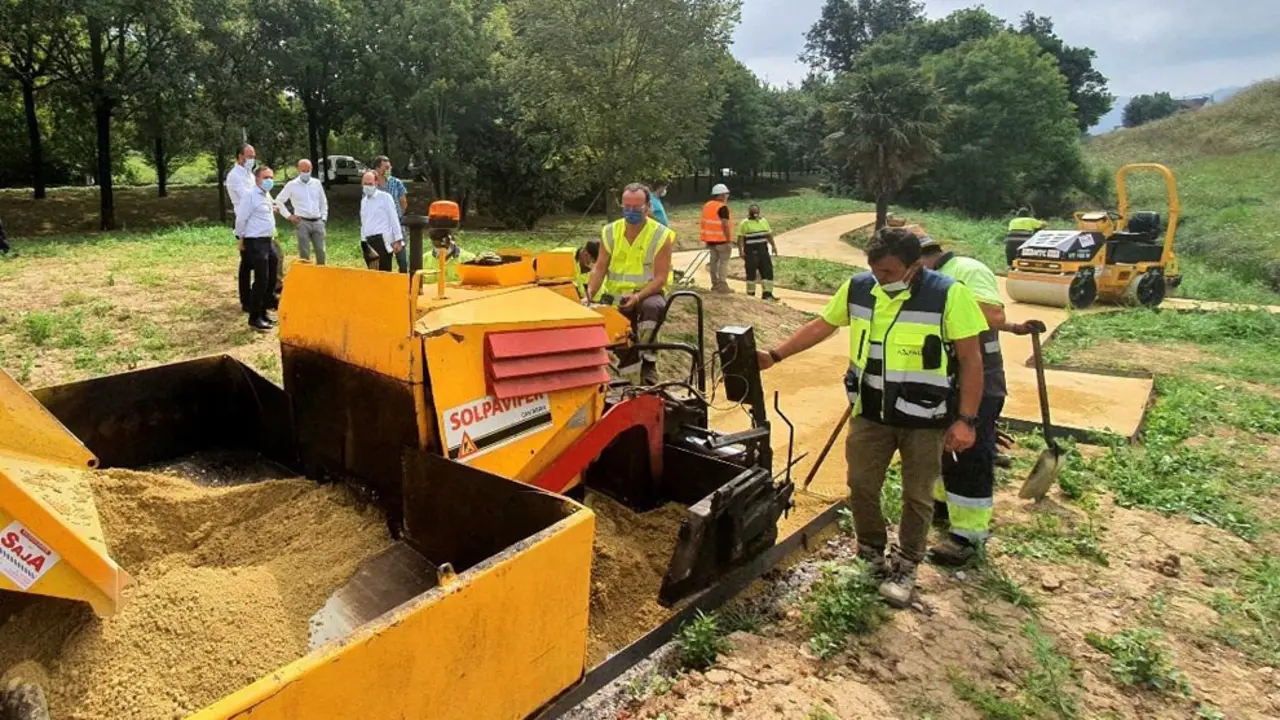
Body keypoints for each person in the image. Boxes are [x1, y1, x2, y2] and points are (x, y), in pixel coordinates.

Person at [755, 227, 987, 608]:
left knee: (917, 495)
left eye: (890, 273)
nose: (881, 279)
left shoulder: (948, 295)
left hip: (924, 417)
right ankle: (870, 552)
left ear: (914, 266)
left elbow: (971, 359)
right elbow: (823, 325)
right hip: (871, 413)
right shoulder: (859, 288)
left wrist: (967, 420)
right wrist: (776, 355)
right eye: (876, 270)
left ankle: (907, 563)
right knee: (861, 484)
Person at [914, 233, 1046, 565]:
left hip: (978, 381)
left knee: (970, 455)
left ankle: (969, 539)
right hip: (944, 381)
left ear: (922, 257)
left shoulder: (966, 270)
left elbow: (992, 316)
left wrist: (941, 302)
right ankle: (944, 509)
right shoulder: (925, 279)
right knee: (945, 451)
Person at [585, 183, 675, 385]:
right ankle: (631, 381)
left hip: (648, 294)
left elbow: (660, 277)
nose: (631, 212)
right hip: (616, 297)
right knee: (618, 332)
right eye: (627, 207)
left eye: (636, 208)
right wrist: (589, 294)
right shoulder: (610, 232)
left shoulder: (661, 235)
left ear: (648, 206)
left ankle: (649, 363)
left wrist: (637, 297)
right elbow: (600, 268)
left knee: (652, 310)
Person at [234, 165, 281, 331]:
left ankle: (264, 312)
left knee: (271, 278)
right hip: (255, 241)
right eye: (265, 177)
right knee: (261, 279)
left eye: (271, 177)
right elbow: (241, 219)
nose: (269, 181)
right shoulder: (250, 196)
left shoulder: (266, 195)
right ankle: (254, 317)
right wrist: (240, 238)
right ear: (257, 179)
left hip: (268, 240)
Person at [275, 159, 329, 265]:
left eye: (308, 170)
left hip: (317, 221)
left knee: (321, 251)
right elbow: (278, 201)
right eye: (303, 170)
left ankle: (321, 275)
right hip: (302, 221)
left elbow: (323, 202)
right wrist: (289, 216)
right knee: (304, 253)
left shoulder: (316, 183)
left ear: (311, 169)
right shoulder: (292, 185)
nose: (306, 173)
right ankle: (306, 276)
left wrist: (323, 218)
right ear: (298, 170)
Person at [225, 143, 256, 312]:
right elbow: (247, 198)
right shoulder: (234, 176)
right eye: (249, 156)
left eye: (253, 156)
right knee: (247, 262)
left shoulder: (249, 175)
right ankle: (246, 300)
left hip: (256, 222)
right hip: (244, 221)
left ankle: (258, 295)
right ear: (239, 156)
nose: (252, 159)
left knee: (262, 259)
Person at [360, 171, 405, 272]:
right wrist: (363, 241)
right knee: (372, 273)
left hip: (382, 240)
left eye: (370, 184)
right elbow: (363, 222)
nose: (367, 187)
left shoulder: (385, 198)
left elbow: (394, 218)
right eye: (365, 184)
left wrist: (398, 239)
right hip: (368, 241)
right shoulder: (364, 201)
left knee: (384, 272)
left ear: (376, 183)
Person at [373, 156, 409, 273]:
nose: (389, 169)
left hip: (397, 225)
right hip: (380, 228)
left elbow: (403, 202)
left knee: (402, 259)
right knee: (383, 260)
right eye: (386, 167)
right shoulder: (372, 185)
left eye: (390, 167)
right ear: (378, 168)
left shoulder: (396, 183)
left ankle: (404, 284)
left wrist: (398, 217)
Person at [737, 204, 778, 300]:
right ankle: (751, 295)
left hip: (763, 250)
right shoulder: (744, 223)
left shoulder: (764, 221)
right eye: (753, 212)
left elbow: (769, 235)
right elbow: (741, 238)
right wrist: (741, 251)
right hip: (750, 251)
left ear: (759, 212)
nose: (755, 215)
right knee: (751, 272)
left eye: (756, 212)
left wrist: (773, 246)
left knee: (767, 271)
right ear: (749, 213)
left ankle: (767, 294)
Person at [700, 183, 733, 293]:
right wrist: (729, 240)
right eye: (726, 194)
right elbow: (725, 224)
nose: (727, 196)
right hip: (722, 240)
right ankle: (722, 285)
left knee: (713, 263)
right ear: (722, 195)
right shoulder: (722, 207)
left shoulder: (707, 205)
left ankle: (715, 284)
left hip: (710, 240)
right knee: (723, 263)